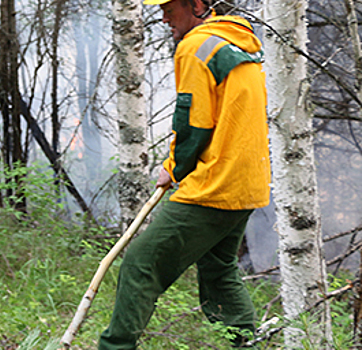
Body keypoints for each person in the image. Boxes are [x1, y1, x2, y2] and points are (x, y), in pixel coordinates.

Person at [98, 0, 269, 349]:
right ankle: (246, 344)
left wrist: (174, 168)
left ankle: (115, 347)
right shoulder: (237, 40)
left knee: (141, 262)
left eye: (169, 7)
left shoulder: (195, 47)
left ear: (196, 4)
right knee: (219, 270)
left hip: (216, 183)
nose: (163, 17)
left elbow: (195, 122)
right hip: (248, 183)